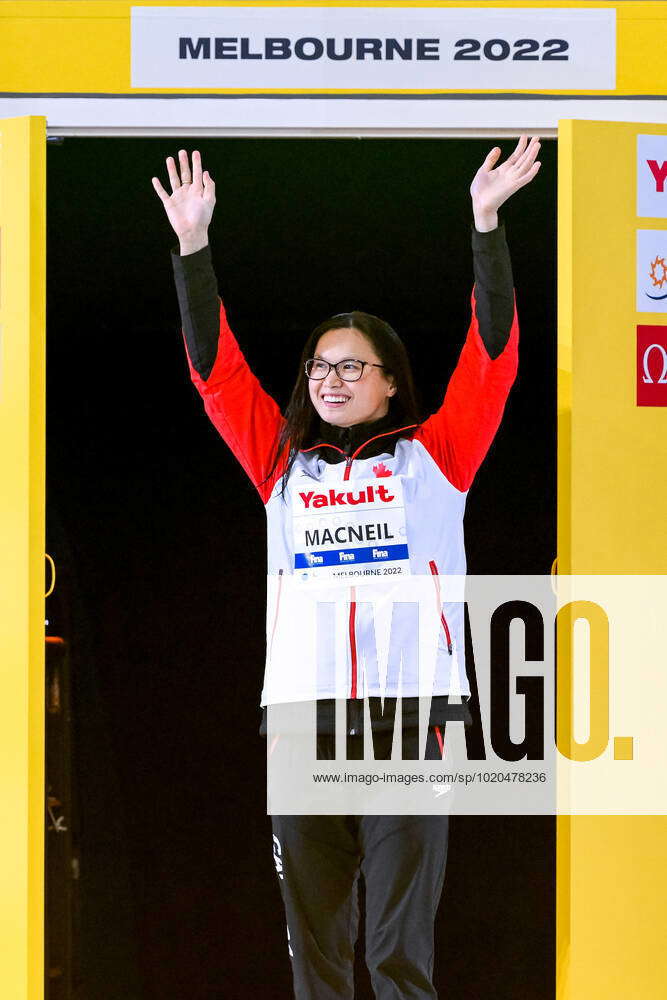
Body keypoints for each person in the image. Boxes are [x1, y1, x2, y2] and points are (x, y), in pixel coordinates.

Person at [152, 137, 541, 999]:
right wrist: (192, 250)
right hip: (301, 723)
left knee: (398, 953)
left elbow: (493, 360)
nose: (329, 379)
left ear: (390, 383)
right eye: (319, 366)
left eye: (349, 366)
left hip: (412, 720)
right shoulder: (280, 465)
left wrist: (484, 226)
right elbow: (218, 377)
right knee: (317, 956)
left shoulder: (435, 458)